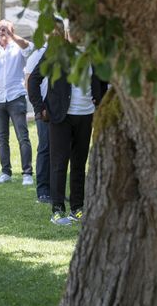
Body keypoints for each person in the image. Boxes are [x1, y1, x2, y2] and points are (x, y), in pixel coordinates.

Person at [28, 28, 107, 226]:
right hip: (60, 117)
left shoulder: (93, 52)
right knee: (59, 163)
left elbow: (101, 80)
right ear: (66, 32)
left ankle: (77, 208)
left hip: (86, 114)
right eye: (72, 28)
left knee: (79, 164)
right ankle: (57, 210)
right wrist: (40, 108)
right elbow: (34, 80)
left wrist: (100, 102)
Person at [0, 19, 34, 185]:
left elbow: (29, 47)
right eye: (0, 30)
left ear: (11, 31)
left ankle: (27, 173)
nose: (2, 32)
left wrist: (12, 36)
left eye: (5, 30)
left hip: (16, 96)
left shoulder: (18, 48)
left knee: (23, 136)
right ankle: (6, 172)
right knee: (2, 138)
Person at [24, 18, 66, 204]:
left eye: (60, 30)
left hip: (60, 109)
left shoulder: (66, 53)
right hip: (44, 109)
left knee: (60, 150)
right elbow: (30, 82)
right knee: (45, 147)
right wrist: (39, 108)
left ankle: (56, 190)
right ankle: (43, 190)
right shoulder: (38, 54)